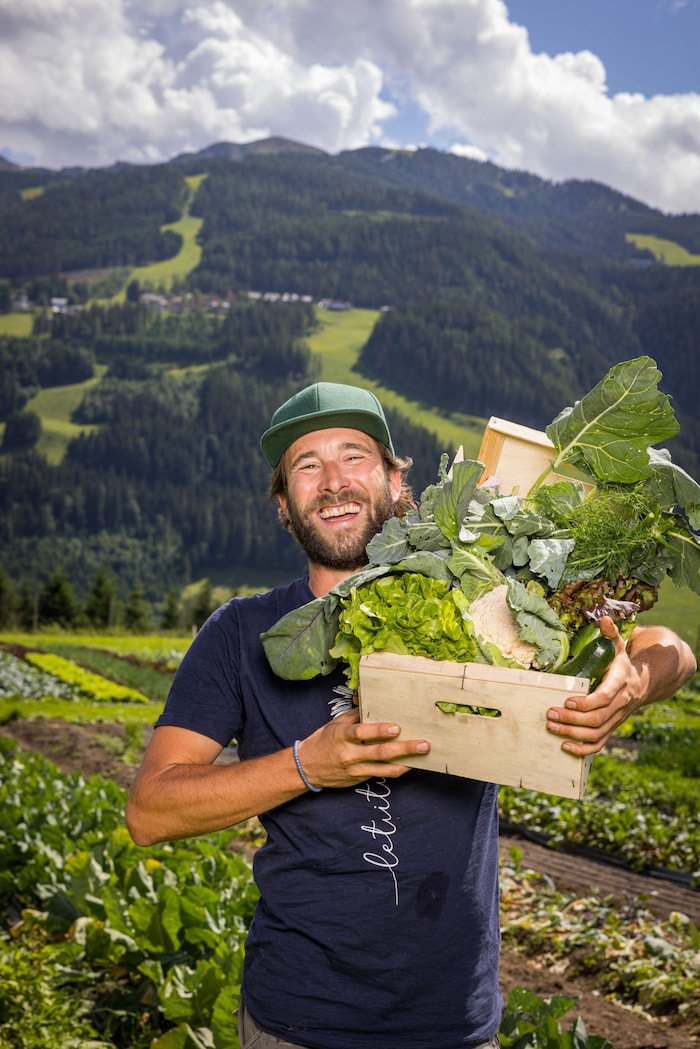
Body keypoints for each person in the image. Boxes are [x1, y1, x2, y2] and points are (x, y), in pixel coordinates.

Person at [126, 381, 696, 1049]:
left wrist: (632, 684)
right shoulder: (239, 632)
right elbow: (150, 810)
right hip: (297, 1022)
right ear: (284, 503)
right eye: (307, 466)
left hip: (454, 1024)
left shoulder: (479, 592)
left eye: (354, 456)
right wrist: (309, 764)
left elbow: (669, 649)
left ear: (397, 479)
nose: (333, 481)